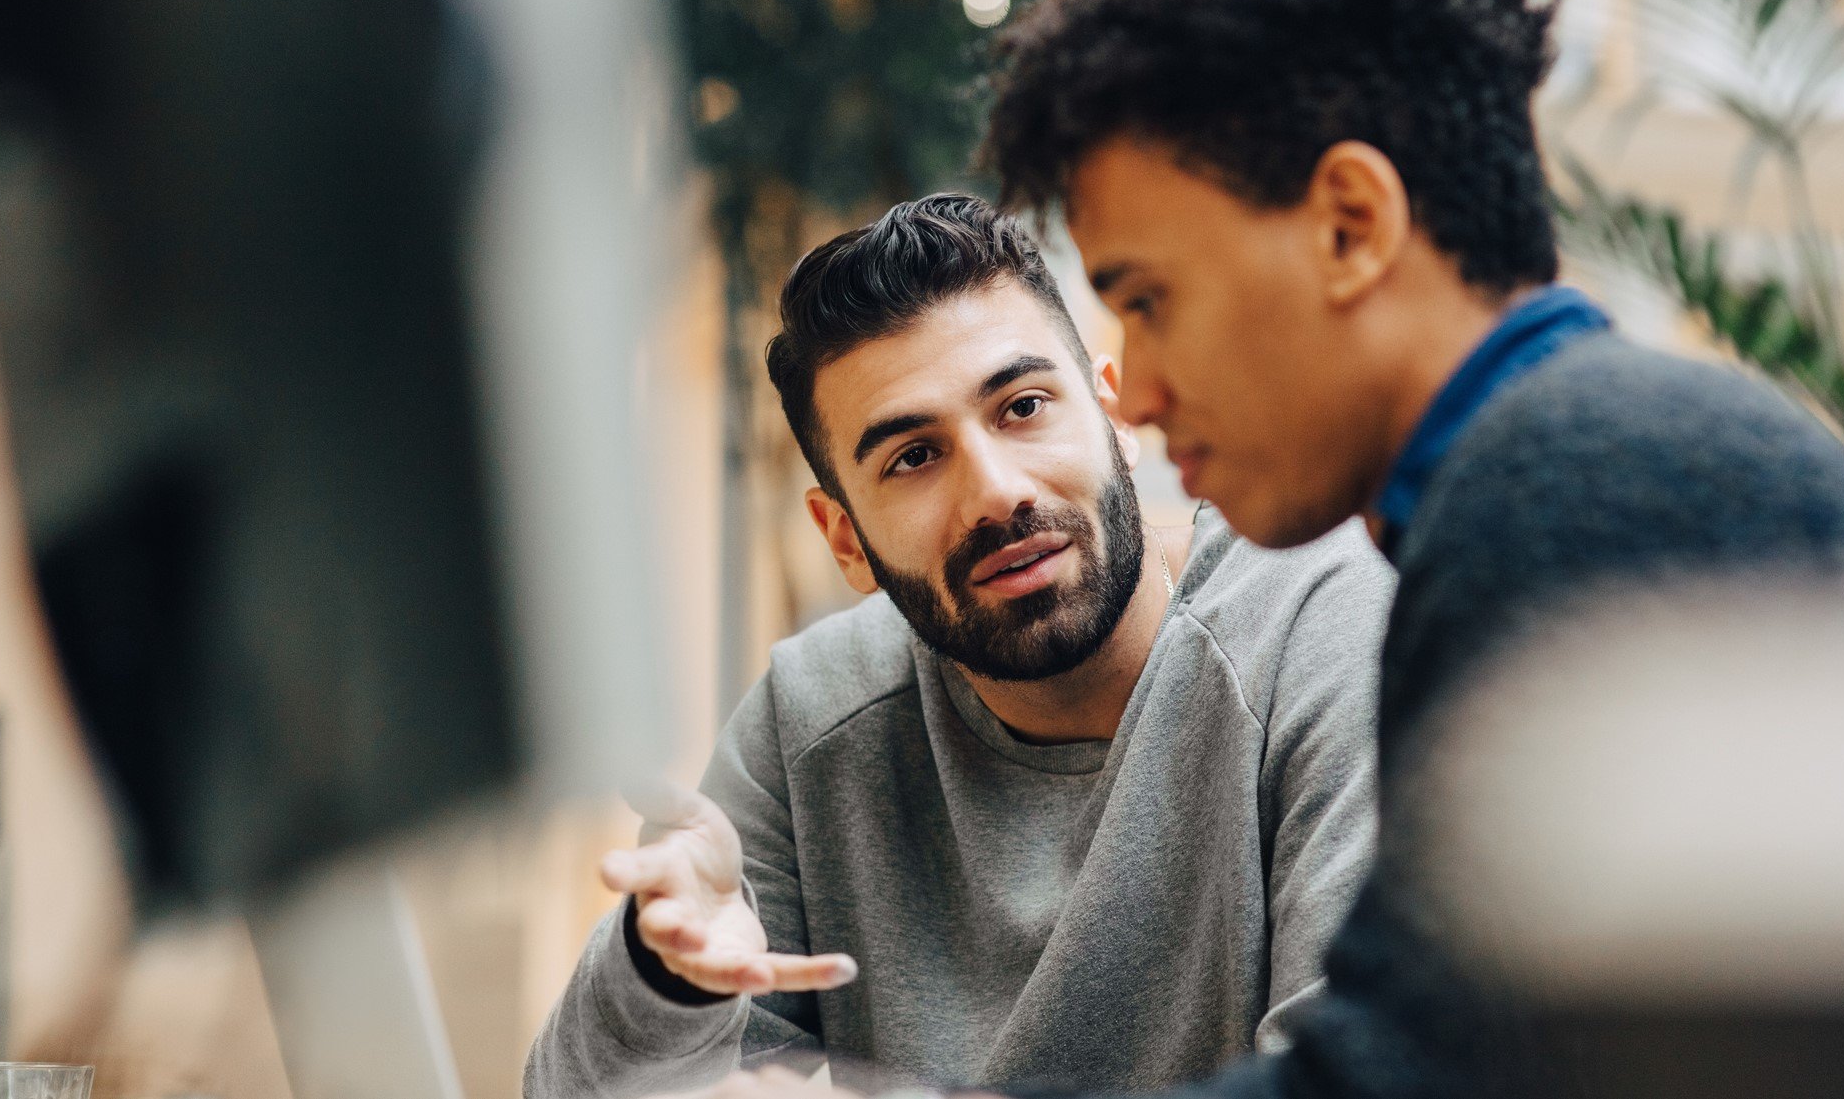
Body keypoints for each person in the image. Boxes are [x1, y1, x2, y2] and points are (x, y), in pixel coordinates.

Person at [667, 0, 1844, 1098]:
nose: (1140, 393)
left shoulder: (1569, 501)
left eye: (1150, 297)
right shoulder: (1564, 463)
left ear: (1347, 225)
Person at [522, 194, 1393, 1098]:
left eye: (1022, 406)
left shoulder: (1321, 625)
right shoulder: (813, 717)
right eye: (912, 458)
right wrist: (663, 984)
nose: (995, 491)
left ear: (1112, 414)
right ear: (845, 539)